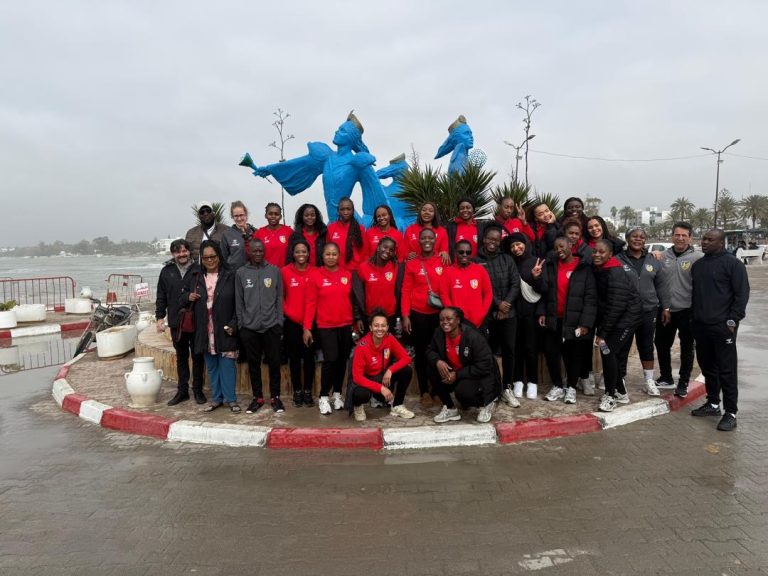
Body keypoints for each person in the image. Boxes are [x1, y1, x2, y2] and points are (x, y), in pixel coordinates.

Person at [690, 229, 750, 431]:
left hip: (723, 327)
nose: (704, 242)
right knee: (707, 367)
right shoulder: (698, 265)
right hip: (701, 326)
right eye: (703, 239)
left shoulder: (733, 264)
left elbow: (742, 295)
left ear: (721, 243)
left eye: (710, 239)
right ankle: (713, 403)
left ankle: (731, 413)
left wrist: (732, 322)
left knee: (727, 370)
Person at [537, 237, 597, 404]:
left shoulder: (584, 267)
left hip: (575, 320)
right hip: (554, 318)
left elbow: (590, 298)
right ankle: (557, 385)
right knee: (551, 352)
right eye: (556, 248)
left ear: (571, 245)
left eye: (562, 246)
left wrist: (585, 323)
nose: (559, 250)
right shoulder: (551, 266)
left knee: (574, 355)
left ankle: (571, 387)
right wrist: (542, 312)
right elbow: (545, 292)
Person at [303, 242, 359, 415]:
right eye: (328, 254)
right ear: (322, 256)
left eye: (334, 254)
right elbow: (310, 304)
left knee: (342, 360)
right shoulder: (315, 275)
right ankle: (323, 396)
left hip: (345, 325)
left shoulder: (347, 275)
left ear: (339, 256)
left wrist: (355, 323)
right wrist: (307, 328)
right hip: (326, 326)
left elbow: (353, 301)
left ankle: (337, 394)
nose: (331, 257)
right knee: (331, 360)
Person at [185, 240, 240, 413]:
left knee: (227, 365)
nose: (210, 260)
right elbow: (181, 296)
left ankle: (231, 399)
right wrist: (188, 296)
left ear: (219, 256)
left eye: (213, 256)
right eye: (205, 257)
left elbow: (239, 303)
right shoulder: (195, 276)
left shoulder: (230, 275)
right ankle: (216, 399)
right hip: (204, 329)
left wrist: (234, 324)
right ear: (201, 258)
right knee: (212, 366)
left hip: (225, 328)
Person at [617, 227, 669, 397]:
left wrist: (666, 307)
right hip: (625, 312)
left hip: (648, 311)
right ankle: (619, 380)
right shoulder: (618, 259)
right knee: (622, 347)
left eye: (641, 237)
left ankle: (649, 381)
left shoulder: (653, 259)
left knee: (646, 346)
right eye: (634, 236)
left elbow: (661, 285)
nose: (638, 239)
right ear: (627, 239)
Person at [592, 239, 642, 412]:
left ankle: (610, 395)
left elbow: (616, 306)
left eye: (601, 252)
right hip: (617, 318)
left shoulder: (615, 272)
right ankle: (621, 392)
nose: (597, 255)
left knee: (609, 352)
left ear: (610, 255)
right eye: (595, 251)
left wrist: (602, 333)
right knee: (608, 353)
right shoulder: (603, 269)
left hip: (626, 319)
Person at [235, 238, 285, 414]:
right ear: (249, 252)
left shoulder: (274, 271)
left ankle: (275, 397)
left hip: (271, 326)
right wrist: (241, 325)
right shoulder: (241, 273)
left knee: (274, 363)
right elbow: (239, 301)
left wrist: (279, 322)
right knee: (253, 364)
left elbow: (279, 297)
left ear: (264, 252)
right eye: (254, 251)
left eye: (260, 251)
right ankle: (257, 398)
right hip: (249, 328)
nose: (257, 254)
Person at [155, 239, 206, 406]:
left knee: (198, 355)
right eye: (178, 252)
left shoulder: (199, 269)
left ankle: (197, 390)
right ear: (173, 254)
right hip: (177, 321)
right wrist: (160, 317)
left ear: (189, 252)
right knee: (181, 357)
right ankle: (182, 391)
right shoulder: (166, 271)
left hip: (197, 320)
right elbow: (161, 296)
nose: (182, 254)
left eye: (184, 251)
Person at [655, 222, 703, 398]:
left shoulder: (698, 258)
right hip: (665, 310)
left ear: (690, 237)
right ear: (672, 236)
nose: (680, 238)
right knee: (661, 344)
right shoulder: (662, 256)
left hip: (687, 310)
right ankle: (666, 377)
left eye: (684, 235)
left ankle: (683, 382)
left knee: (687, 347)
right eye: (677, 235)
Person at [427, 307, 500, 423]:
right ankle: (450, 409)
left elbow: (485, 365)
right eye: (441, 319)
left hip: (478, 375)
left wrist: (457, 374)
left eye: (449, 319)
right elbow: (430, 350)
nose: (444, 322)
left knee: (463, 394)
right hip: (457, 372)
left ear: (458, 320)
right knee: (431, 368)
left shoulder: (473, 336)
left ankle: (487, 403)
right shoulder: (439, 333)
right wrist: (438, 361)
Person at [475, 224, 521, 407]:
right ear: (484, 239)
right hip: (487, 314)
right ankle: (492, 389)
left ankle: (507, 388)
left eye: (496, 239)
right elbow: (479, 287)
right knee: (488, 353)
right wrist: (497, 306)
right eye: (489, 238)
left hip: (509, 313)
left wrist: (505, 306)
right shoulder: (475, 261)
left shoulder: (507, 259)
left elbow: (515, 283)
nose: (492, 242)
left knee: (509, 350)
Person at [401, 227, 445, 408]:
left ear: (435, 241)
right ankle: (424, 392)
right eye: (423, 238)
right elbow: (405, 291)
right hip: (418, 315)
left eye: (430, 238)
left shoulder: (443, 260)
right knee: (421, 354)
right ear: (418, 241)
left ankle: (437, 390)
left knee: (439, 352)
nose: (427, 241)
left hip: (439, 315)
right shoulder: (412, 263)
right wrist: (405, 316)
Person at [347, 309, 415, 422]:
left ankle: (397, 405)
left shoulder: (389, 338)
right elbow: (357, 378)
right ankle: (358, 407)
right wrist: (381, 388)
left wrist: (390, 370)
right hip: (365, 381)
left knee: (407, 370)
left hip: (381, 376)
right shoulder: (362, 346)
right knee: (361, 394)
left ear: (387, 327)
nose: (380, 329)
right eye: (376, 325)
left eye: (383, 326)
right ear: (370, 327)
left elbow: (406, 358)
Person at [506, 232, 545, 400]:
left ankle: (533, 382)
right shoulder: (509, 262)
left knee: (531, 348)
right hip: (513, 313)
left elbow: (544, 289)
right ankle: (518, 381)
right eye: (512, 246)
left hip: (531, 313)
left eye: (518, 244)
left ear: (525, 244)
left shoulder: (536, 261)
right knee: (516, 348)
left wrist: (536, 277)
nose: (516, 248)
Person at [563, 218, 598, 395]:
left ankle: (584, 377)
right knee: (570, 349)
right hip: (566, 311)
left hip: (583, 309)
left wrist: (586, 320)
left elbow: (590, 292)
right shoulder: (559, 252)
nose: (574, 236)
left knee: (584, 346)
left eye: (577, 233)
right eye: (570, 233)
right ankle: (573, 379)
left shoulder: (587, 254)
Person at [281, 240, 316, 407]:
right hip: (292, 323)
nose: (301, 254)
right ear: (293, 254)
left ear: (309, 253)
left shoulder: (315, 272)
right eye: (297, 251)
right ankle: (297, 391)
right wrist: (288, 312)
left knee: (309, 358)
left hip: (310, 323)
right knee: (294, 358)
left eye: (304, 251)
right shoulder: (284, 272)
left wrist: (307, 326)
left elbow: (313, 300)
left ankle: (308, 391)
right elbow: (280, 296)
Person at [440, 240, 493, 330]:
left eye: (468, 252)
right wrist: (453, 314)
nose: (465, 255)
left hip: (479, 321)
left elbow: (488, 293)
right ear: (455, 253)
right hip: (457, 321)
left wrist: (482, 313)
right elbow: (444, 295)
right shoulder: (448, 272)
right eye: (461, 252)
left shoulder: (480, 270)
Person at [354, 236, 400, 328]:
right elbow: (357, 295)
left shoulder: (396, 267)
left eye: (391, 250)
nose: (387, 251)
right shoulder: (363, 268)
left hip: (390, 315)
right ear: (378, 247)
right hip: (369, 315)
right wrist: (358, 317)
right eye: (385, 247)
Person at [326, 197, 367, 271]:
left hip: (355, 270)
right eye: (342, 209)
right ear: (338, 211)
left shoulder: (360, 228)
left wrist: (361, 269)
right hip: (336, 270)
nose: (345, 212)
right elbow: (327, 251)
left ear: (353, 211)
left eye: (348, 209)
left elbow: (364, 252)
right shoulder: (330, 228)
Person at [254, 202, 294, 267]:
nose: (273, 216)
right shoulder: (259, 233)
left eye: (276, 214)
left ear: (280, 216)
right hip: (265, 271)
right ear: (266, 215)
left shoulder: (288, 231)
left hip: (284, 271)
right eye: (270, 214)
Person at [220, 200, 257, 270]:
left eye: (241, 215)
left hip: (253, 272)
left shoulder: (256, 232)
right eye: (236, 216)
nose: (239, 219)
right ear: (232, 216)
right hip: (234, 274)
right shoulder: (227, 234)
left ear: (246, 214)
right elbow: (223, 258)